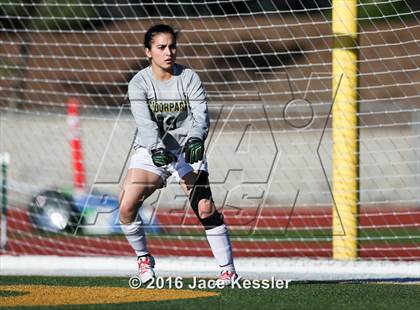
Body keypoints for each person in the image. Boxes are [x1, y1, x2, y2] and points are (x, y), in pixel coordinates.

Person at [120, 24, 237, 285]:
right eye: (161, 47)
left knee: (205, 208)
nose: (168, 52)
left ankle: (228, 270)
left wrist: (196, 138)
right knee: (127, 207)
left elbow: (201, 116)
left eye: (172, 46)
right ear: (148, 52)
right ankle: (143, 258)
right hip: (152, 149)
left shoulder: (189, 78)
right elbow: (145, 124)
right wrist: (156, 149)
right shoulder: (138, 83)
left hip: (186, 150)